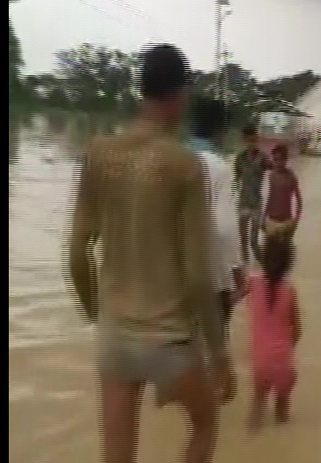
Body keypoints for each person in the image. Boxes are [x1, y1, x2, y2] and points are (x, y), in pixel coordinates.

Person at [67, 44, 233, 463]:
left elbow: (76, 253)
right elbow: (198, 274)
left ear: (142, 90)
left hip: (115, 336)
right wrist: (219, 353)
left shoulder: (98, 155)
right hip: (168, 339)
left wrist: (96, 316)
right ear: (179, 95)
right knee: (206, 424)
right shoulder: (184, 165)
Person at [187, 97, 243, 331]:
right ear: (221, 130)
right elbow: (225, 228)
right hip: (210, 277)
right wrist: (238, 271)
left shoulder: (173, 161)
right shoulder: (219, 168)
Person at [239, 234, 302, 430]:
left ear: (263, 260)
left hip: (260, 363)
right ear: (288, 264)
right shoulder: (290, 290)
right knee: (282, 414)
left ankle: (251, 444)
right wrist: (285, 350)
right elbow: (298, 330)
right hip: (284, 361)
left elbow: (232, 298)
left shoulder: (252, 284)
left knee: (257, 407)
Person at [234, 123, 270, 265]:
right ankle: (246, 266)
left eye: (253, 140)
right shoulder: (239, 158)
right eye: (248, 140)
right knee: (242, 238)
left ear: (257, 139)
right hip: (243, 201)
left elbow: (275, 171)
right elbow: (236, 180)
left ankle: (262, 264)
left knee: (254, 240)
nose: (251, 144)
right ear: (244, 140)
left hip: (256, 203)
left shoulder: (263, 158)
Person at [263, 144, 302, 240]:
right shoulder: (272, 176)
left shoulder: (291, 176)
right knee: (270, 252)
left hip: (287, 221)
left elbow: (299, 200)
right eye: (275, 160)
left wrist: (296, 220)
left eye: (280, 159)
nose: (278, 163)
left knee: (285, 252)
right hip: (271, 220)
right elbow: (270, 197)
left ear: (286, 160)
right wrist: (263, 217)